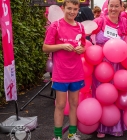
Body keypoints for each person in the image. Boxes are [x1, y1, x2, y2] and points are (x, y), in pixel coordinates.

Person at [91, 0, 127, 138]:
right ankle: (101, 126)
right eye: (112, 6)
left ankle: (117, 125)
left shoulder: (124, 22)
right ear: (108, 7)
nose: (114, 8)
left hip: (119, 68)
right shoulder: (100, 21)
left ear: (122, 7)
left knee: (117, 95)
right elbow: (83, 33)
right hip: (101, 68)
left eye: (117, 6)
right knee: (102, 95)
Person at [43, 0, 86, 140]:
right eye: (69, 8)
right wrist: (62, 46)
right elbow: (45, 47)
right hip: (61, 73)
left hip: (76, 73)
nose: (72, 12)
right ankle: (57, 137)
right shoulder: (55, 26)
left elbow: (83, 47)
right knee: (60, 105)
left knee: (74, 104)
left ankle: (72, 134)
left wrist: (81, 50)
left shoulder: (80, 27)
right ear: (63, 8)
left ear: (78, 9)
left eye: (75, 9)